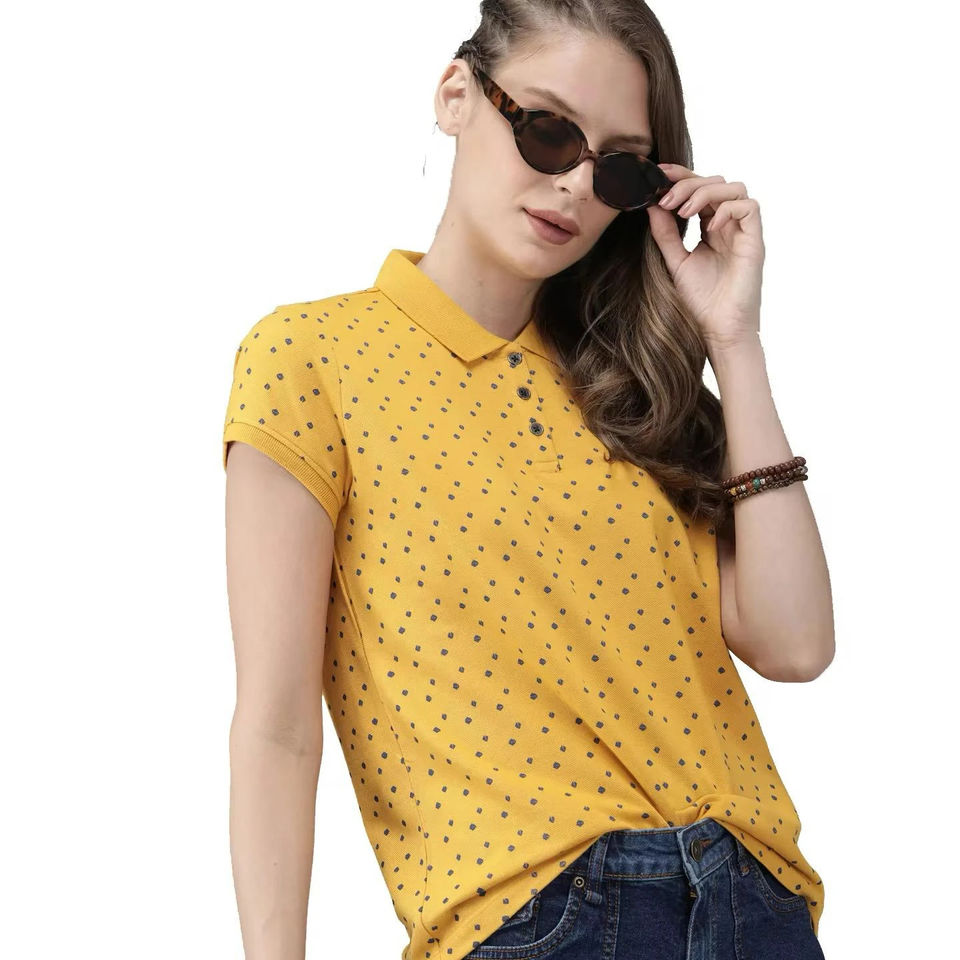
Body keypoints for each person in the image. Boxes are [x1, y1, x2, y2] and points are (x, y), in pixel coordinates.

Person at [222, 2, 833, 958]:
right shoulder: (314, 358)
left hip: (754, 904)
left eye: (619, 168)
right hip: (545, 917)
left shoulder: (631, 390)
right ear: (456, 96)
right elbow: (278, 725)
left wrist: (733, 341)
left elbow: (797, 644)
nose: (576, 186)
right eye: (549, 132)